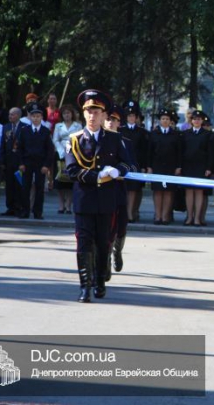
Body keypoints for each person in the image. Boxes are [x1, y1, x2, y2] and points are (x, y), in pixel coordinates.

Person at [65, 89, 132, 302]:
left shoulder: (114, 138)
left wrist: (117, 171)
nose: (92, 116)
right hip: (84, 200)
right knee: (84, 242)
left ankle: (100, 281)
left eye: (96, 112)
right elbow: (71, 170)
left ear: (104, 115)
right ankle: (84, 286)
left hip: (106, 200)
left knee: (103, 241)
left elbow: (126, 163)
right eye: (88, 112)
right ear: (83, 114)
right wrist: (97, 176)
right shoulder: (74, 140)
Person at [103, 104, 136, 276]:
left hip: (119, 188)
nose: (110, 122)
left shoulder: (126, 142)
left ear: (119, 123)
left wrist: (127, 170)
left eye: (114, 120)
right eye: (108, 119)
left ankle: (117, 250)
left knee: (121, 224)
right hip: (102, 188)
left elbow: (132, 164)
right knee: (107, 225)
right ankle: (106, 258)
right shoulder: (98, 139)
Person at [16, 102, 54, 219]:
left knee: (39, 188)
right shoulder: (24, 130)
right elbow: (19, 148)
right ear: (30, 117)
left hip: (40, 163)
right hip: (27, 163)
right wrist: (21, 163)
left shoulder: (45, 131)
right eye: (33, 116)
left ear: (42, 117)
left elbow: (50, 150)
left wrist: (46, 165)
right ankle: (25, 211)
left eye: (38, 116)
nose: (36, 118)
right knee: (25, 188)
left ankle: (38, 212)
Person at [179, 110, 214, 226]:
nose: (196, 121)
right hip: (188, 166)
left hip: (201, 167)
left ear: (202, 121)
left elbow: (211, 153)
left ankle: (197, 218)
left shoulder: (207, 134)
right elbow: (181, 151)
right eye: (194, 119)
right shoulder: (185, 134)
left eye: (199, 119)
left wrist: (209, 168)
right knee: (189, 192)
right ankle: (189, 217)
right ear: (191, 121)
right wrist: (180, 167)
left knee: (199, 192)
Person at [148, 109, 182, 225]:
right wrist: (149, 166)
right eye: (163, 119)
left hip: (170, 167)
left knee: (168, 192)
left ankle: (165, 216)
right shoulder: (153, 134)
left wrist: (178, 166)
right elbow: (149, 152)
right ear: (159, 121)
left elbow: (179, 152)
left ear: (170, 121)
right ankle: (157, 216)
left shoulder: (175, 134)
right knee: (157, 191)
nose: (165, 121)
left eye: (167, 119)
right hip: (157, 166)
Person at [120, 100, 149, 222]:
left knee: (134, 190)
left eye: (133, 116)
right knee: (124, 189)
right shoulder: (120, 130)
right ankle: (125, 212)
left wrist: (143, 165)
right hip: (123, 163)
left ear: (136, 117)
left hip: (136, 164)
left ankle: (130, 213)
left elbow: (144, 150)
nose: (131, 118)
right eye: (129, 116)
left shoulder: (141, 132)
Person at [52, 105, 83, 214]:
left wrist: (71, 152)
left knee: (70, 181)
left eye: (68, 113)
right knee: (59, 180)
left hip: (73, 153)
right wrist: (61, 151)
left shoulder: (78, 126)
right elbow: (55, 139)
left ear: (72, 114)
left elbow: (80, 140)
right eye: (64, 113)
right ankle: (61, 204)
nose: (67, 115)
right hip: (60, 153)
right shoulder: (58, 126)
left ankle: (68, 204)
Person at [1, 108, 24, 216]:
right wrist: (2, 161)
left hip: (19, 162)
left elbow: (25, 146)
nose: (10, 116)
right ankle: (10, 207)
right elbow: (3, 145)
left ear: (18, 115)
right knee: (9, 186)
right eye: (9, 114)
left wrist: (23, 162)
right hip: (8, 161)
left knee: (19, 185)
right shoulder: (6, 127)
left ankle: (18, 207)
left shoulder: (24, 127)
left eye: (13, 114)